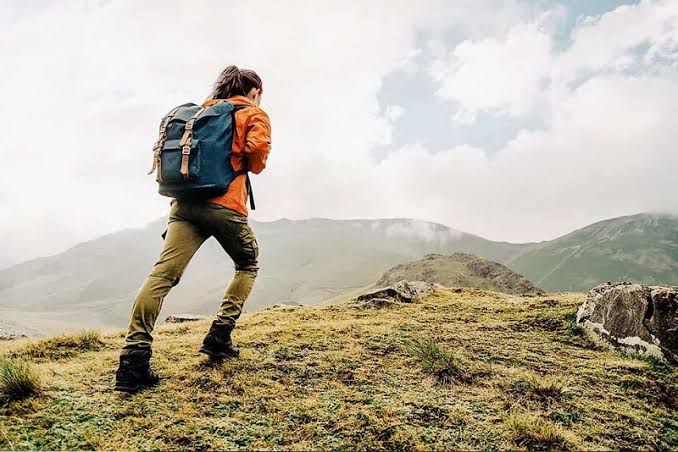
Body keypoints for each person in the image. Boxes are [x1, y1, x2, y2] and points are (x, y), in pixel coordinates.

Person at [114, 65, 271, 393]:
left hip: (184, 205)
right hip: (226, 206)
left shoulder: (201, 113)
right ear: (254, 91)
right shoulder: (253, 113)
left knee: (162, 276)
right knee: (247, 265)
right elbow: (257, 160)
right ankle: (218, 337)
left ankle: (133, 361)